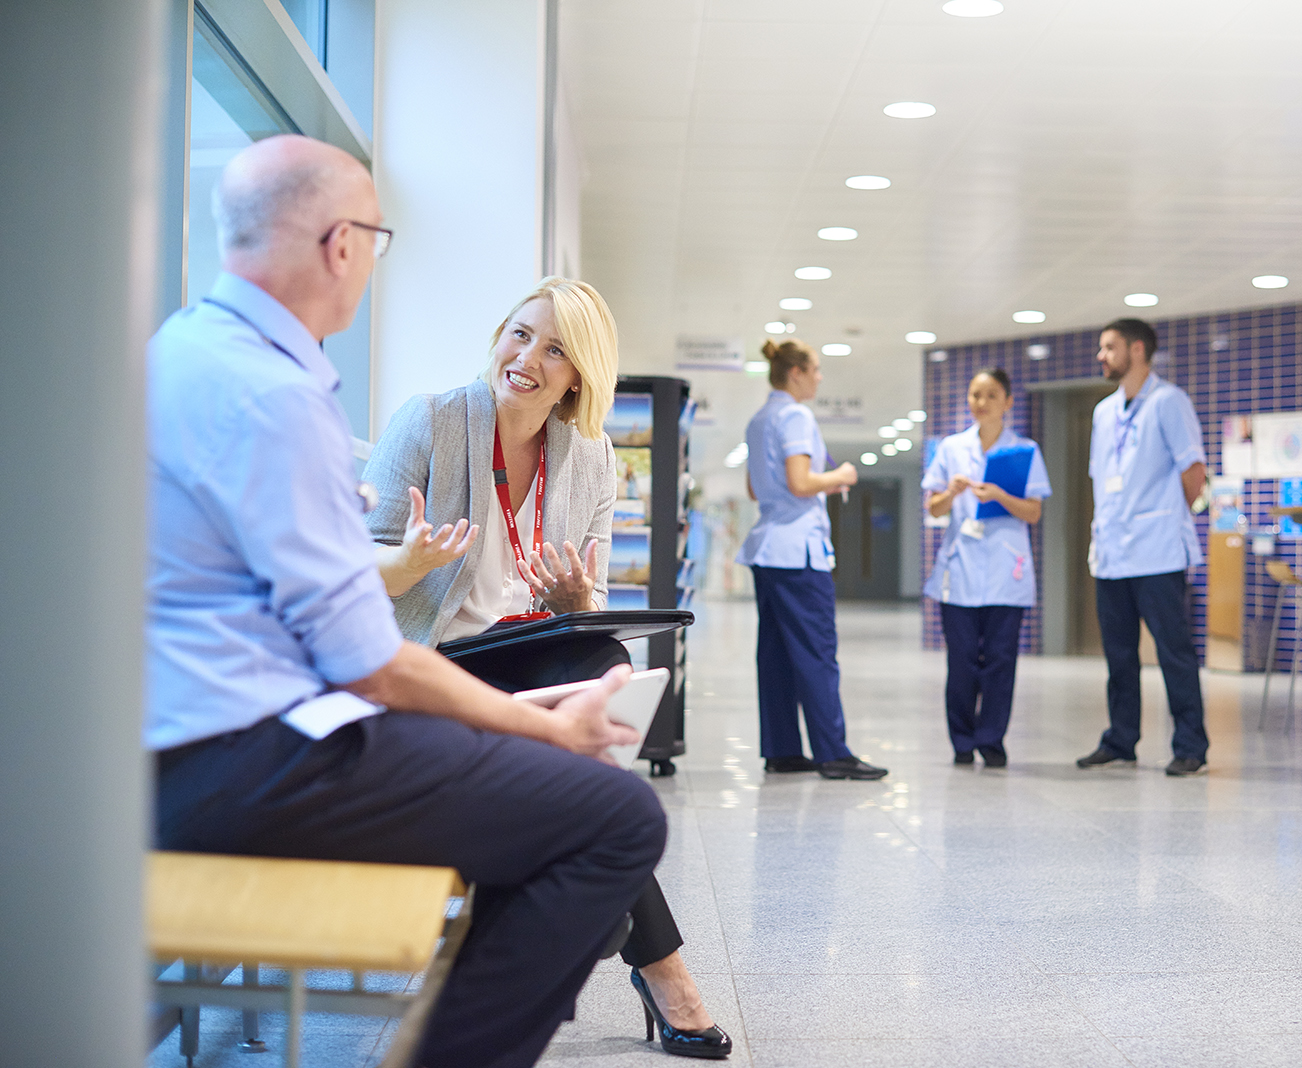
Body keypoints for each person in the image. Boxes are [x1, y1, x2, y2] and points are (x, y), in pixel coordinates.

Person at [146, 134, 666, 1068]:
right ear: (342, 244)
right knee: (617, 817)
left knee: (580, 726)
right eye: (377, 242)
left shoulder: (184, 353)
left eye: (554, 350)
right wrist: (547, 731)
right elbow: (372, 661)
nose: (528, 357)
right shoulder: (286, 397)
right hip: (256, 749)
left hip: (194, 734)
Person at [362, 277, 731, 1059]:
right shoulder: (429, 422)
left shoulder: (589, 457)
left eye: (556, 349)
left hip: (521, 650)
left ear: (578, 376)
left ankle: (594, 917)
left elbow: (584, 592)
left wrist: (576, 596)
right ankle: (663, 971)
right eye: (521, 334)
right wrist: (408, 562)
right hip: (437, 660)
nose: (527, 357)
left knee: (599, 654)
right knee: (585, 763)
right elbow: (354, 580)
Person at [737, 339, 888, 781]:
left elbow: (753, 489)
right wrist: (840, 476)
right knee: (817, 652)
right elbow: (801, 482)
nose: (820, 377)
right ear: (797, 372)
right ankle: (832, 753)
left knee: (777, 654)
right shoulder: (796, 415)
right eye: (816, 369)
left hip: (768, 549)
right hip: (799, 551)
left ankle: (782, 749)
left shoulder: (759, 418)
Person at [1075, 318, 1211, 777]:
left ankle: (1191, 745)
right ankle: (1120, 739)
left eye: (1108, 347)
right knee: (1118, 654)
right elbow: (1102, 478)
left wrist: (1168, 518)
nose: (1101, 356)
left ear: (1136, 350)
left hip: (1156, 552)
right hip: (1113, 552)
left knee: (1173, 651)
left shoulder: (1168, 401)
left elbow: (1193, 470)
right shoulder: (1103, 411)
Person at [922, 368, 1052, 768]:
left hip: (1005, 571)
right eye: (975, 394)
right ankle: (962, 740)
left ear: (1008, 402)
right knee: (960, 660)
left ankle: (991, 738)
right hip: (959, 572)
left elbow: (1033, 511)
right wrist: (952, 492)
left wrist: (999, 495)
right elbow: (932, 507)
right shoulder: (951, 448)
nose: (981, 402)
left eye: (991, 395)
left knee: (1000, 660)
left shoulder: (1024, 450)